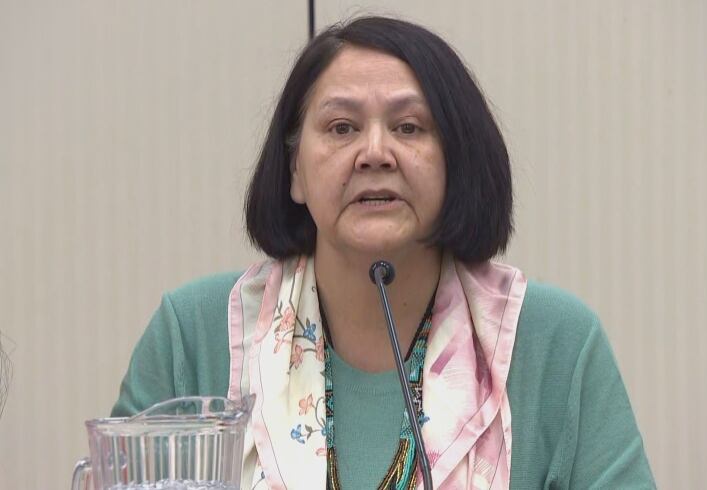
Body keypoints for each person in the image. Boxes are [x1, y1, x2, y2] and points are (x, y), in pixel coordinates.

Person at [112, 16, 655, 489]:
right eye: (341, 127)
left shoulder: (555, 343)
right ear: (295, 170)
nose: (375, 153)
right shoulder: (197, 334)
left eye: (409, 127)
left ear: (456, 162)